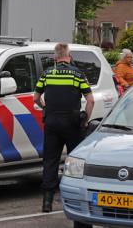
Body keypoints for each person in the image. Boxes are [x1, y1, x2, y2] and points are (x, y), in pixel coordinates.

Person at [34, 43, 94, 215]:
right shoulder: (77, 74)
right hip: (73, 123)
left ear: (55, 57)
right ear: (70, 56)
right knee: (75, 162)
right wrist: (85, 120)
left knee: (50, 161)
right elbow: (90, 101)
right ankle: (75, 199)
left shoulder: (47, 74)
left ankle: (47, 202)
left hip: (52, 123)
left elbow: (36, 97)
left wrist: (45, 107)